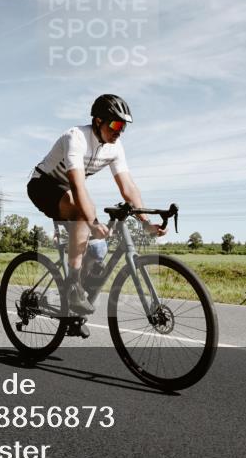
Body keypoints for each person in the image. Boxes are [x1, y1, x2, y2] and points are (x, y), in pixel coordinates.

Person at [28, 94, 165, 315]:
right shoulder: (76, 138)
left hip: (69, 192)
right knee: (83, 213)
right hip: (43, 185)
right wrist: (91, 222)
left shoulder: (115, 147)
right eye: (116, 123)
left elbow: (128, 187)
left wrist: (145, 222)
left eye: (124, 126)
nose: (119, 131)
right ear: (98, 120)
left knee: (99, 247)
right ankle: (72, 286)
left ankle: (74, 305)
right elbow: (78, 185)